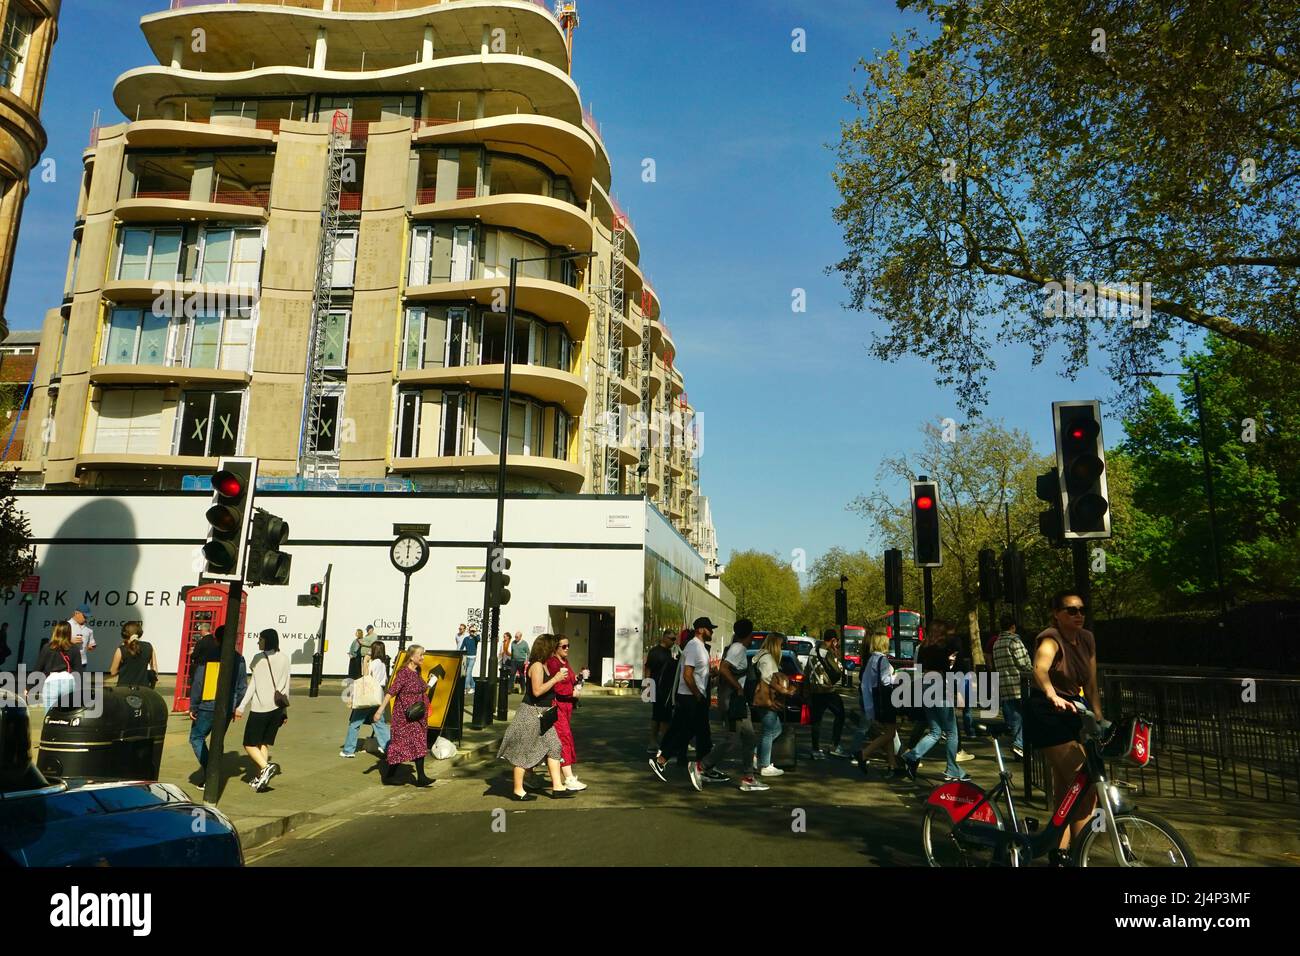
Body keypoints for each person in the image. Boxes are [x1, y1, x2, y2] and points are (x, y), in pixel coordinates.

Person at [1027, 591, 1102, 861]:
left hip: (1072, 711)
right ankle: (1081, 857)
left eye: (1082, 609)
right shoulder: (1051, 638)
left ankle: (1059, 851)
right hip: (1047, 712)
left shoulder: (1087, 639)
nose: (1078, 614)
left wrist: (1099, 717)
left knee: (1066, 789)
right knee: (1086, 787)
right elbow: (1039, 668)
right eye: (1071, 610)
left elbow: (1091, 683)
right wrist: (1051, 694)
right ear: (1056, 614)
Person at [497, 634, 573, 801]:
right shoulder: (537, 666)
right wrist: (556, 679)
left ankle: (558, 787)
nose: (556, 650)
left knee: (555, 746)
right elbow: (537, 691)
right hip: (531, 713)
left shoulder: (544, 665)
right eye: (554, 647)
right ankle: (518, 790)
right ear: (546, 648)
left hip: (543, 715)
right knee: (523, 751)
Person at [649, 617, 717, 791]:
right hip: (690, 697)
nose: (712, 632)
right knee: (689, 731)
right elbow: (687, 675)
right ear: (701, 629)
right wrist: (697, 695)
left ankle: (703, 767)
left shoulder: (700, 647)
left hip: (693, 696)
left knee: (696, 732)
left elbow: (698, 674)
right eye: (710, 629)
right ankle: (663, 760)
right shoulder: (694, 646)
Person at [701, 618, 765, 791]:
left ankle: (748, 778)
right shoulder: (737, 649)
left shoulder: (736, 648)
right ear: (749, 634)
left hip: (736, 701)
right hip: (734, 702)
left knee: (749, 737)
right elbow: (724, 668)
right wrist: (738, 687)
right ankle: (702, 766)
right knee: (732, 739)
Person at [900, 620, 969, 782]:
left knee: (935, 731)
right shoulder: (944, 647)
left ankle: (911, 755)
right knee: (952, 732)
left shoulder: (923, 647)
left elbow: (918, 668)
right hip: (940, 685)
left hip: (925, 684)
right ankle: (952, 769)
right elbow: (950, 670)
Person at [188, 626, 248, 781]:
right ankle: (213, 771)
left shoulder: (209, 656)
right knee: (218, 739)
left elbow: (198, 682)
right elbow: (242, 687)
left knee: (196, 737)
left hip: (208, 703)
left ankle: (210, 769)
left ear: (217, 639)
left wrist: (193, 706)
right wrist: (235, 704)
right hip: (227, 705)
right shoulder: (239, 659)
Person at [237, 628, 291, 793]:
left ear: (267, 640)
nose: (258, 642)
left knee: (249, 743)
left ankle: (266, 767)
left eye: (260, 639)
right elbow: (286, 686)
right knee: (263, 743)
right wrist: (285, 711)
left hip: (260, 708)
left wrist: (241, 706)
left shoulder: (259, 659)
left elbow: (252, 685)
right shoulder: (284, 658)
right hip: (277, 708)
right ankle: (261, 779)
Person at [373, 644, 434, 787]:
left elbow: (422, 688)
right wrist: (380, 710)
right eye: (420, 655)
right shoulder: (403, 673)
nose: (423, 657)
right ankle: (389, 776)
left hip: (417, 716)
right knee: (401, 746)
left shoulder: (417, 671)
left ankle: (421, 777)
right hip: (404, 717)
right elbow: (391, 692)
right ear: (412, 657)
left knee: (419, 743)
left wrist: (430, 683)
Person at [856, 633, 905, 778]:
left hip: (877, 701)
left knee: (888, 733)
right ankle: (864, 753)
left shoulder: (872, 659)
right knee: (890, 733)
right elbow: (886, 681)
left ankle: (892, 765)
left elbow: (866, 683)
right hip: (886, 700)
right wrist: (898, 676)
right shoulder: (882, 660)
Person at [547, 635, 586, 791]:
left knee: (544, 743)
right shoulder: (553, 663)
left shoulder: (565, 662)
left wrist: (578, 679)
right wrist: (572, 692)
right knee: (564, 739)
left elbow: (569, 680)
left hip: (567, 707)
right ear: (555, 648)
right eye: (563, 646)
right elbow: (557, 686)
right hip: (557, 706)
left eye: (568, 645)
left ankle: (527, 773)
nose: (567, 648)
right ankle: (568, 778)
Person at [341, 641, 391, 758]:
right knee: (379, 723)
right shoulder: (383, 664)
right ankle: (389, 748)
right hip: (379, 695)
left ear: (374, 650)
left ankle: (348, 750)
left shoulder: (374, 663)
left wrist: (365, 661)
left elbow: (365, 676)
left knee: (355, 723)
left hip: (368, 696)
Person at [991, 614, 1032, 758]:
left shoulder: (996, 643)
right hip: (1019, 684)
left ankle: (1018, 747)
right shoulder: (1014, 640)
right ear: (1013, 627)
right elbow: (1023, 663)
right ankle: (1021, 745)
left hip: (1004, 686)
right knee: (1026, 717)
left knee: (1015, 720)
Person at [808, 627, 851, 759]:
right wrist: (836, 654)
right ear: (833, 640)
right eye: (836, 641)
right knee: (840, 715)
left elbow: (807, 670)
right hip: (827, 691)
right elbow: (838, 670)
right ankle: (834, 745)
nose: (837, 644)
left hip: (814, 690)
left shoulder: (812, 650)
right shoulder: (828, 653)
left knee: (816, 721)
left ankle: (815, 749)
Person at [752, 631, 788, 777]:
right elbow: (768, 678)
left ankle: (755, 756)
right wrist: (782, 690)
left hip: (763, 698)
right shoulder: (767, 659)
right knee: (768, 731)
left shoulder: (760, 655)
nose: (782, 648)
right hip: (767, 699)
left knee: (776, 729)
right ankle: (764, 765)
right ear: (775, 644)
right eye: (781, 644)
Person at [644, 629, 677, 754]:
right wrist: (647, 688)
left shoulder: (668, 652)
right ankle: (661, 743)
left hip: (666, 688)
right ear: (664, 637)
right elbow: (648, 668)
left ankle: (655, 743)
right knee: (662, 717)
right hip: (658, 688)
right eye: (672, 639)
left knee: (659, 716)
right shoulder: (655, 652)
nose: (674, 642)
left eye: (675, 639)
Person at [34, 623, 77, 710]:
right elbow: (78, 671)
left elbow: (38, 668)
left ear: (55, 631)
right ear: (69, 632)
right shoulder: (74, 648)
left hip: (51, 681)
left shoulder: (47, 647)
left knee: (50, 714)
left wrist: (29, 686)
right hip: (68, 681)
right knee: (66, 715)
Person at [109, 621, 157, 687]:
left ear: (125, 634)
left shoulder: (121, 649)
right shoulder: (149, 646)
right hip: (144, 689)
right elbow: (154, 668)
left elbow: (113, 672)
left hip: (124, 689)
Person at [67, 604, 95, 672]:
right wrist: (69, 641)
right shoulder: (66, 625)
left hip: (82, 664)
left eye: (87, 617)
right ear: (76, 613)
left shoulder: (89, 630)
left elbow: (92, 643)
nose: (86, 619)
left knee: (81, 682)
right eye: (84, 616)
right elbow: (56, 642)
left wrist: (91, 647)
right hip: (67, 663)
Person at [459, 625, 478, 694]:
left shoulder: (475, 638)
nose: (472, 632)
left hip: (473, 658)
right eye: (471, 631)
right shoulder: (466, 639)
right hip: (466, 657)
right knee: (469, 673)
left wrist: (475, 632)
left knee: (467, 673)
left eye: (473, 631)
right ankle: (473, 686)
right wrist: (459, 655)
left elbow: (478, 639)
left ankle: (465, 688)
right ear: (468, 631)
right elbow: (461, 647)